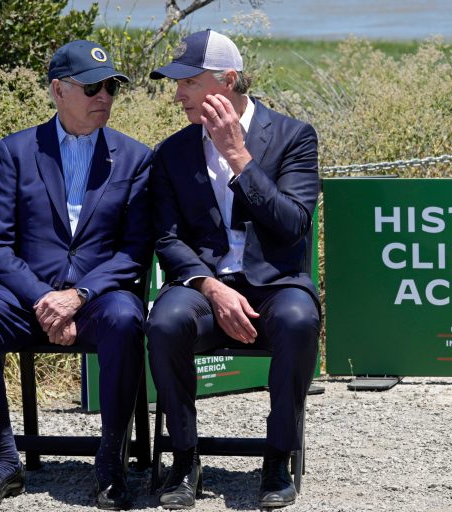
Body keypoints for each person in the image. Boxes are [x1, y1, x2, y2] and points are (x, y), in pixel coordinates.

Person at [0, 40, 153, 510]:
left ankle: (110, 460)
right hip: (26, 295)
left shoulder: (134, 157)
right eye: (93, 87)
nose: (105, 96)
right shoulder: (16, 151)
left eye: (112, 87)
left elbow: (135, 250)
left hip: (100, 296)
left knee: (126, 320)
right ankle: (4, 457)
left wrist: (78, 295)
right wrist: (46, 298)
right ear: (59, 90)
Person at [146, 29, 320, 509]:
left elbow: (293, 225)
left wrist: (239, 158)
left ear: (226, 80)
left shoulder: (294, 136)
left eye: (188, 81)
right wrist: (211, 288)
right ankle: (184, 459)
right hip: (205, 284)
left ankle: (277, 458)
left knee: (298, 320)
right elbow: (167, 238)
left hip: (275, 283)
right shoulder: (173, 151)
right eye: (176, 83)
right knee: (165, 322)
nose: (178, 93)